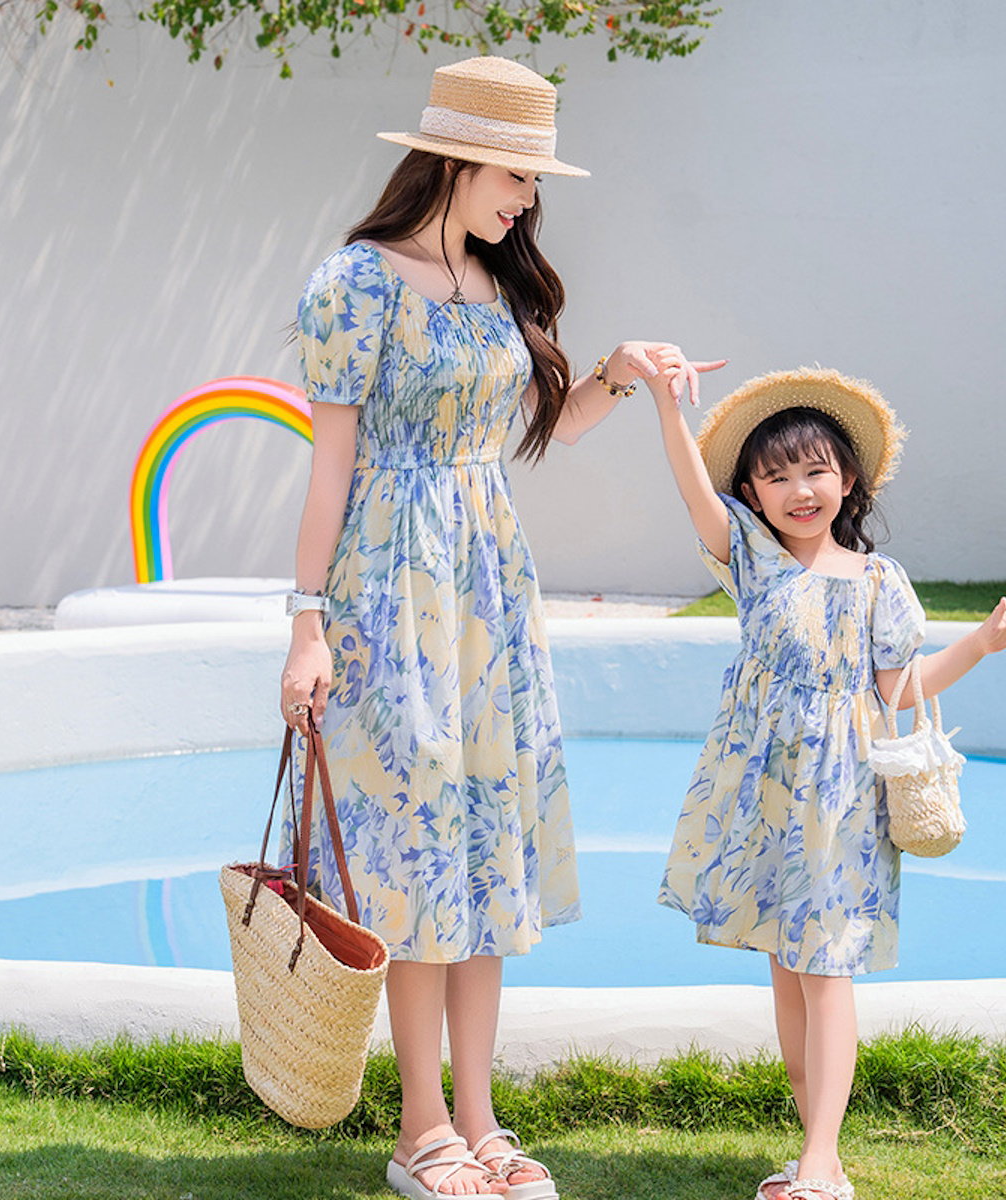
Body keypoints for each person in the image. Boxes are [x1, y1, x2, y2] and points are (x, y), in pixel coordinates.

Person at [278, 56, 721, 1200]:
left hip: (488, 586)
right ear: (454, 159)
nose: (527, 197)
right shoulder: (354, 284)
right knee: (416, 854)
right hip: (389, 585)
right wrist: (305, 626)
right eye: (517, 172)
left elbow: (544, 430)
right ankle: (419, 1126)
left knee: (482, 852)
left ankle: (480, 1120)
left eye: (534, 178)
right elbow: (328, 473)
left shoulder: (499, 286)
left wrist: (619, 377)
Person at [644, 363, 1006, 1200]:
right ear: (752, 494)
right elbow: (692, 492)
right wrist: (659, 398)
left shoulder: (877, 582)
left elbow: (897, 690)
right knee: (788, 973)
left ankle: (824, 1164)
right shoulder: (752, 560)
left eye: (815, 470)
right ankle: (810, 1152)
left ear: (849, 479)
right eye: (777, 475)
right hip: (765, 797)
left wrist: (983, 643)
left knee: (825, 972)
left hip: (841, 798)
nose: (799, 490)